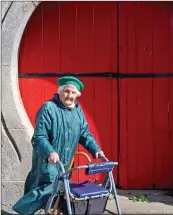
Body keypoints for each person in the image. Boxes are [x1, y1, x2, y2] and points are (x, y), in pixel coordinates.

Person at [12, 76, 104, 214]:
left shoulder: (78, 112)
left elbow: (85, 134)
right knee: (46, 190)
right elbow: (39, 137)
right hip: (48, 161)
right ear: (60, 91)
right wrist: (50, 152)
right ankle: (20, 211)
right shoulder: (48, 108)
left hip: (65, 163)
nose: (70, 96)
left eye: (73, 93)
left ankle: (49, 210)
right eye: (67, 91)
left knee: (58, 192)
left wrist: (95, 149)